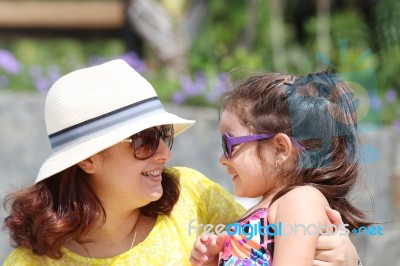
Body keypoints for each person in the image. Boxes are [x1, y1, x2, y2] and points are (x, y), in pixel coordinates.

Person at [3, 60, 359, 265]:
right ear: (88, 160)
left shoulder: (192, 195)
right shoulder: (30, 262)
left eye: (163, 134)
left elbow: (268, 249)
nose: (164, 152)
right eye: (143, 141)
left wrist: (348, 260)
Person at [190, 71, 368, 265]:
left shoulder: (300, 200)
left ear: (280, 148)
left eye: (229, 145)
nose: (222, 159)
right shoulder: (278, 206)